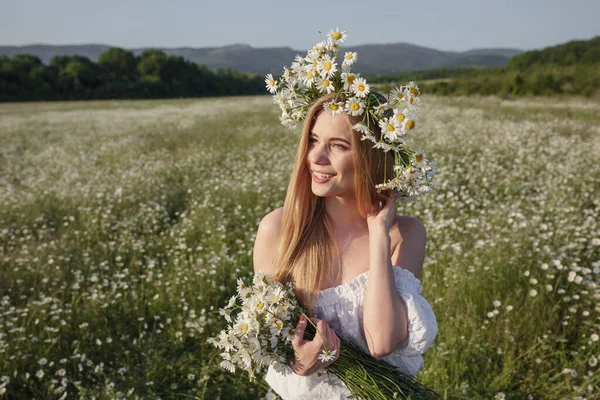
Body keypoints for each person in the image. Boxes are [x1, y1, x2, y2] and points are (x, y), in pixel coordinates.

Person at [254, 27, 438, 399]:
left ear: (370, 154)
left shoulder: (406, 234)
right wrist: (301, 364)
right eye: (313, 141)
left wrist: (379, 235)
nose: (317, 159)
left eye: (337, 146)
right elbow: (267, 343)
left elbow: (382, 342)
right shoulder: (279, 229)